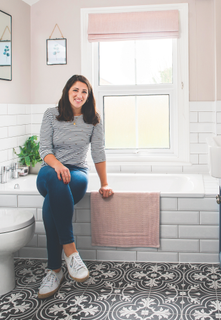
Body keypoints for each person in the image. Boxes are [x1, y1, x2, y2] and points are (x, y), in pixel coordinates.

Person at [36, 75, 113, 299]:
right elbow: (44, 149)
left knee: (51, 207)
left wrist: (105, 183)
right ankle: (71, 252)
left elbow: (98, 153)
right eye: (75, 90)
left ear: (88, 96)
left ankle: (54, 270)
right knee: (56, 179)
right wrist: (58, 166)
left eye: (84, 92)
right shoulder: (51, 114)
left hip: (77, 173)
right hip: (50, 171)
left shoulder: (93, 119)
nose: (79, 95)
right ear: (67, 91)